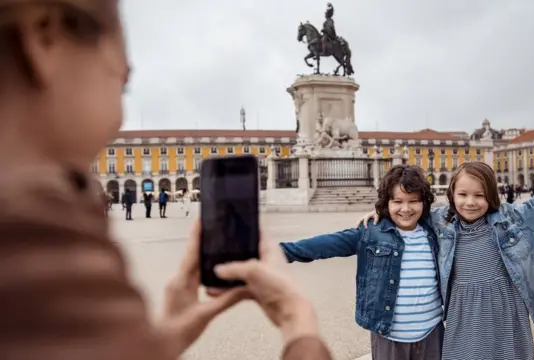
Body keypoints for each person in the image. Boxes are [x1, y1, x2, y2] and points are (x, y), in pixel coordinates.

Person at [0, 1, 333, 359]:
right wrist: (298, 324)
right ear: (45, 39)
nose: (126, 73)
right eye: (120, 72)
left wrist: (153, 341)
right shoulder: (31, 232)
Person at [357, 157, 534, 360]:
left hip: (505, 314)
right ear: (451, 194)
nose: (470, 202)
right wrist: (381, 212)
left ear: (492, 195)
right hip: (462, 316)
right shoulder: (441, 221)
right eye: (462, 195)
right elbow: (406, 207)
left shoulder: (517, 218)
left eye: (479, 195)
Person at [279, 165, 444, 360]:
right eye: (397, 201)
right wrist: (277, 253)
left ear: (424, 202)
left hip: (431, 333)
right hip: (389, 336)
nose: (406, 209)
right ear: (386, 203)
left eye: (413, 201)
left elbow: (464, 211)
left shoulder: (435, 232)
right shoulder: (369, 232)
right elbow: (323, 245)